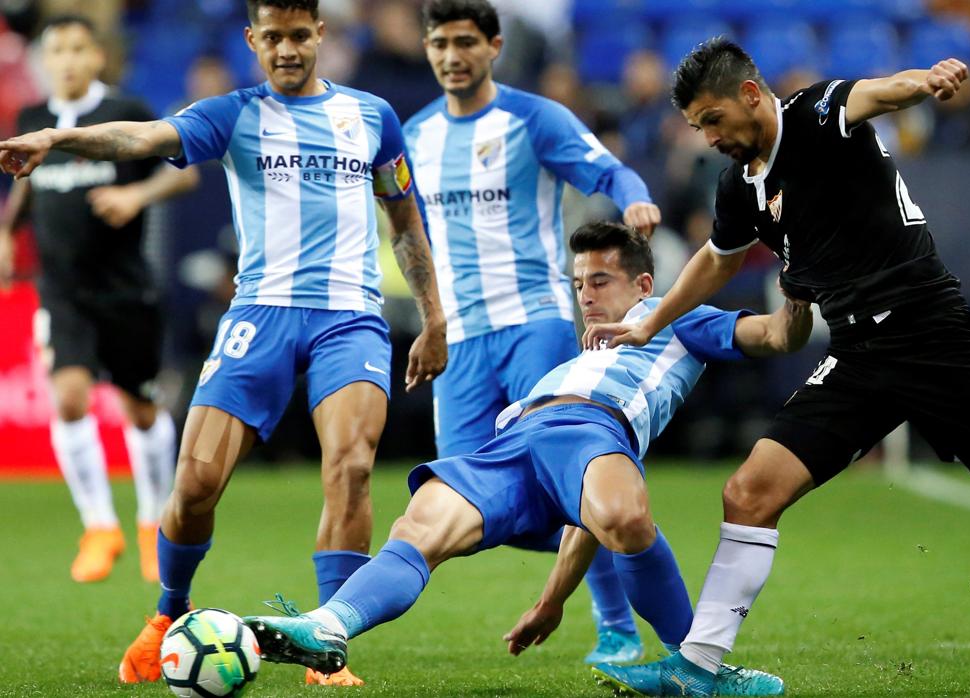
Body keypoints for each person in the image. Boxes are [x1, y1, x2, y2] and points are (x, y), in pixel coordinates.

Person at [586, 39, 970, 696]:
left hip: (932, 335)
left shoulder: (817, 113)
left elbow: (876, 92)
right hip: (857, 354)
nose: (709, 137)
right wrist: (651, 320)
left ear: (747, 94)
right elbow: (717, 257)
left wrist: (924, 81)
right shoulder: (740, 184)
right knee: (747, 493)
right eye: (696, 128)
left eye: (712, 120)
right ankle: (699, 668)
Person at [0, 0, 448, 688]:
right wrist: (58, 142)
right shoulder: (231, 113)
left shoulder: (371, 116)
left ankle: (327, 645)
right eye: (273, 37)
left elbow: (404, 219)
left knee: (352, 466)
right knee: (196, 485)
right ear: (253, 40)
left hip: (348, 318)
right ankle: (166, 613)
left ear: (321, 35)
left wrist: (434, 317)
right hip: (260, 316)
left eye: (300, 35)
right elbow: (140, 140)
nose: (288, 49)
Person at [240, 221, 805, 696]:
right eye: (579, 282)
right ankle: (328, 624)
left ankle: (697, 664)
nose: (585, 295)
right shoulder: (581, 352)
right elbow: (585, 514)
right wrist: (550, 601)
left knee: (625, 518)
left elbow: (779, 337)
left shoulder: (675, 316)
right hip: (516, 437)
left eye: (601, 281)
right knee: (418, 527)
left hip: (593, 425)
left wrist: (799, 282)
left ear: (644, 285)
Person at [404, 0, 661, 665]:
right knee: (475, 505)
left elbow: (605, 168)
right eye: (439, 43)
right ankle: (620, 531)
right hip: (462, 340)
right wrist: (431, 322)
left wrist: (631, 197)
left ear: (492, 46)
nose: (451, 55)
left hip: (534, 325)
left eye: (465, 41)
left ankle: (617, 631)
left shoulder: (531, 118)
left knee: (563, 473)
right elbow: (402, 228)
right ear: (427, 49)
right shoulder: (416, 135)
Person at [0, 14, 198, 585]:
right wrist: (9, 234)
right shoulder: (32, 119)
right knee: (68, 398)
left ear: (96, 57)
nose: (64, 59)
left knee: (140, 411)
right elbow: (28, 185)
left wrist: (137, 193)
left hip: (126, 287)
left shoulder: (126, 108)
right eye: (54, 49)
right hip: (62, 290)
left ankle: (149, 523)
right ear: (43, 59)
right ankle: (98, 526)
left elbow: (182, 176)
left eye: (76, 48)